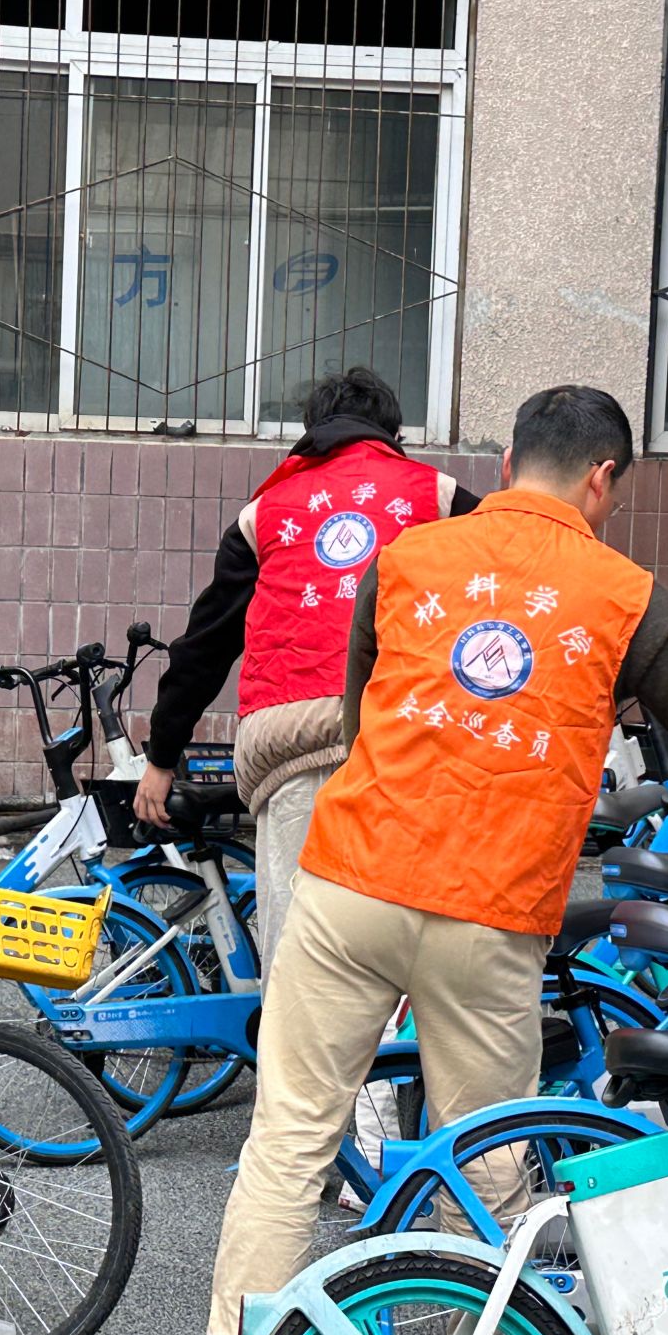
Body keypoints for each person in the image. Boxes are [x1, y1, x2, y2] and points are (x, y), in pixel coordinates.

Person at [190, 386, 668, 1335]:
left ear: (507, 465)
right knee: (485, 1166)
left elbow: (364, 714)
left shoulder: (405, 559)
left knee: (288, 1146)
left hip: (350, 880)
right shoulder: (626, 596)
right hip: (487, 910)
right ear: (603, 480)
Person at [135, 368, 477, 977]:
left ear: (312, 433)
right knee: (404, 949)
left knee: (298, 954)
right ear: (394, 434)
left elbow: (206, 645)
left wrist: (162, 758)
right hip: (403, 737)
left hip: (289, 741)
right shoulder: (439, 496)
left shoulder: (264, 513)